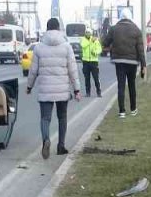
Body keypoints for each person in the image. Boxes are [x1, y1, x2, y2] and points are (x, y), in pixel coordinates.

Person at [26, 18, 82, 159]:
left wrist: (29, 86)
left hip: (45, 89)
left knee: (45, 118)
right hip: (62, 90)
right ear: (58, 29)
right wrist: (77, 90)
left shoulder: (39, 47)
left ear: (47, 29)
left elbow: (33, 70)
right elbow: (72, 70)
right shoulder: (66, 46)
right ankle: (61, 146)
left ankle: (46, 140)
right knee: (62, 117)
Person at [102, 16, 146, 119]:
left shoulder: (114, 28)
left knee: (121, 86)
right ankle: (133, 109)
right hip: (132, 62)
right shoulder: (136, 29)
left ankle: (122, 111)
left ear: (121, 18)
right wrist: (143, 64)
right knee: (131, 85)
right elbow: (140, 49)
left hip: (119, 61)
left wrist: (111, 45)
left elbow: (105, 43)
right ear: (130, 18)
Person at [80, 30, 103, 97]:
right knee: (87, 78)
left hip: (94, 61)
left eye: (89, 32)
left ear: (91, 33)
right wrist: (91, 41)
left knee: (96, 78)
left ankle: (99, 92)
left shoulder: (95, 40)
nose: (88, 34)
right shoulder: (83, 39)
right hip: (85, 61)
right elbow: (83, 45)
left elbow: (99, 49)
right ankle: (88, 93)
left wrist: (95, 52)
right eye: (86, 32)